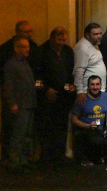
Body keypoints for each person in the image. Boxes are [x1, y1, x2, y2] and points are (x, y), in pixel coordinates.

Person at [33, 26, 75, 162]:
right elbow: (35, 79)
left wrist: (69, 87)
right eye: (59, 39)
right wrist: (46, 90)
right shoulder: (40, 52)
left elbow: (70, 74)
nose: (61, 42)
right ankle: (46, 156)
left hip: (63, 97)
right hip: (46, 98)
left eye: (64, 39)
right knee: (47, 127)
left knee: (62, 126)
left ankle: (60, 155)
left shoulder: (68, 51)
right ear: (52, 38)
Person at [3, 37, 36, 170]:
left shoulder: (25, 63)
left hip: (29, 103)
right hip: (20, 104)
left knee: (26, 134)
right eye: (24, 47)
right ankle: (15, 160)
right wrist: (12, 103)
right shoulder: (11, 65)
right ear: (16, 48)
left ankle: (23, 159)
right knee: (18, 134)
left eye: (28, 47)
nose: (27, 49)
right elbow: (8, 86)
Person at [71, 75, 107, 167]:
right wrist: (87, 126)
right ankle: (85, 159)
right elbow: (74, 119)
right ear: (88, 86)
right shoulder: (82, 98)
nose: (95, 87)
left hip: (103, 128)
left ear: (100, 85)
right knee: (94, 139)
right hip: (86, 129)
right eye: (92, 84)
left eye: (97, 84)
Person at [73, 23, 107, 106]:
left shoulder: (94, 44)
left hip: (97, 90)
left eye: (100, 33)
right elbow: (78, 71)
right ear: (87, 35)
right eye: (96, 34)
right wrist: (80, 91)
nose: (99, 36)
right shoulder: (82, 48)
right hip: (88, 92)